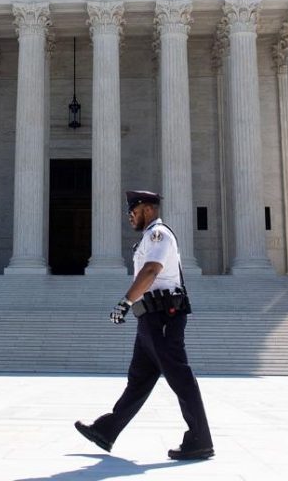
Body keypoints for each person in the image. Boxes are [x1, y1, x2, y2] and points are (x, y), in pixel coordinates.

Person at [74, 190, 214, 461]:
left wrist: (125, 302)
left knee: (179, 376)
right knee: (138, 380)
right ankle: (106, 430)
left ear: (148, 209)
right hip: (150, 318)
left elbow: (151, 270)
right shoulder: (148, 237)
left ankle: (200, 439)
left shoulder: (158, 235)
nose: (130, 217)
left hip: (164, 316)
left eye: (133, 212)